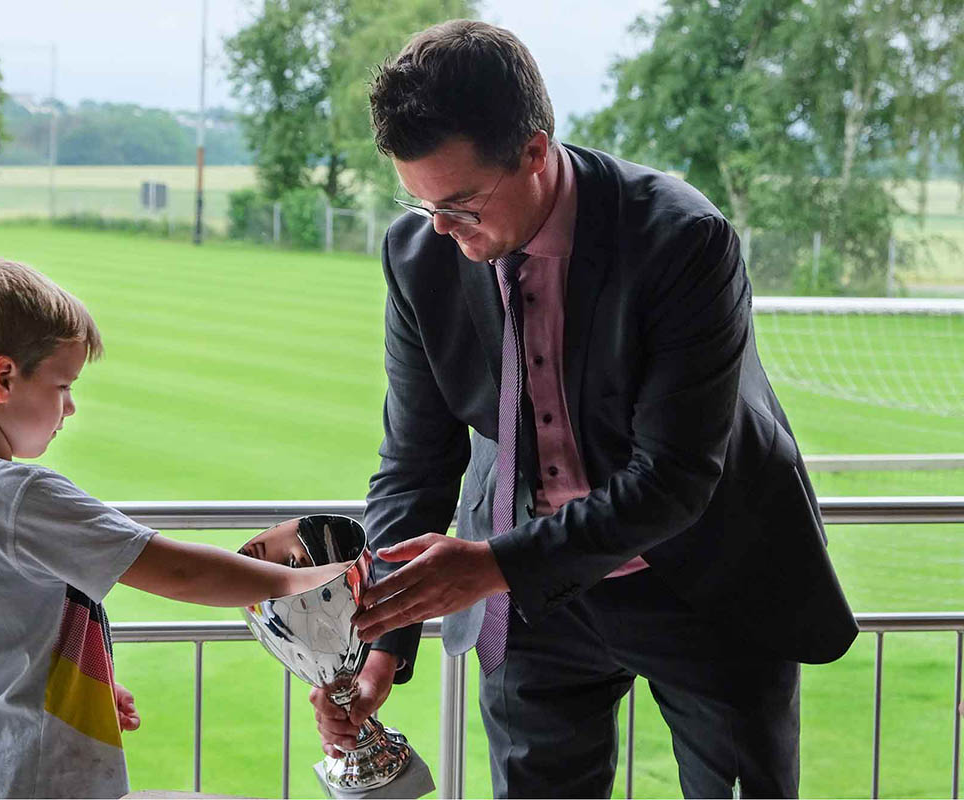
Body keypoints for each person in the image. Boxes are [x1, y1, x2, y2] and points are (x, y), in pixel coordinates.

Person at [309, 20, 858, 798]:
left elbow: (673, 478)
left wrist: (492, 565)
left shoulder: (683, 240)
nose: (441, 229)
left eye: (462, 202)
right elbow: (416, 462)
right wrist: (383, 646)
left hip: (702, 575)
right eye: (420, 201)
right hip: (528, 604)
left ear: (535, 151)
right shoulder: (419, 255)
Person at [0, 258, 336, 799]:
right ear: (3, 378)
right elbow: (176, 570)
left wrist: (79, 689)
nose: (69, 407)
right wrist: (296, 582)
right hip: (31, 778)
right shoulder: (17, 493)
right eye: (62, 385)